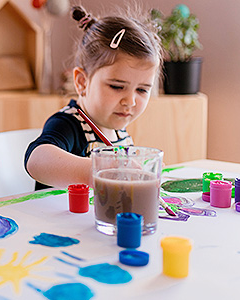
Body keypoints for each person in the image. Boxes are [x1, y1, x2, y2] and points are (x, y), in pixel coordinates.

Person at [25, 5, 162, 190]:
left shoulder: (119, 132)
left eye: (142, 90)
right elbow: (36, 160)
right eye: (117, 86)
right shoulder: (69, 123)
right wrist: (100, 169)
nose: (130, 101)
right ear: (82, 82)